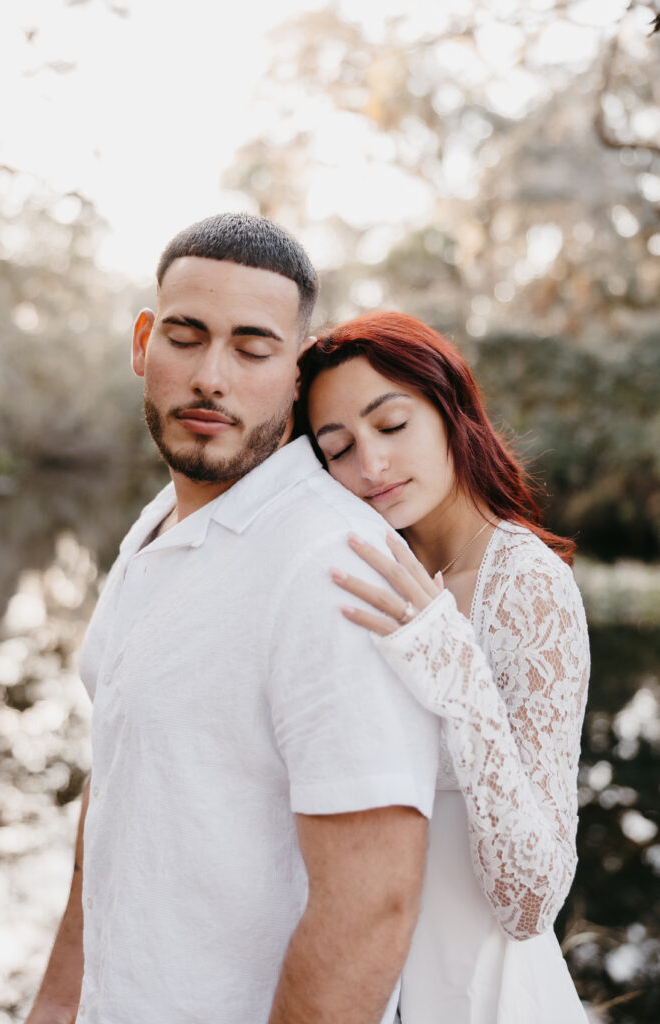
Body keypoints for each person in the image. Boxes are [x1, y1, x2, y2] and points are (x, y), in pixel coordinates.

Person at [25, 217, 442, 1024]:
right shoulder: (157, 526)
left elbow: (372, 907)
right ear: (143, 343)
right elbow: (116, 787)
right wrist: (55, 1004)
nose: (211, 377)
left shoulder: (333, 567)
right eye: (185, 337)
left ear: (295, 371)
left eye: (252, 349)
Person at [297, 311, 590, 1024]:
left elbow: (531, 901)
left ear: (450, 410)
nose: (370, 466)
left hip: (479, 994)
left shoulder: (525, 585)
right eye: (337, 448)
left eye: (391, 426)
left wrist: (457, 674)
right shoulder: (364, 570)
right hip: (362, 982)